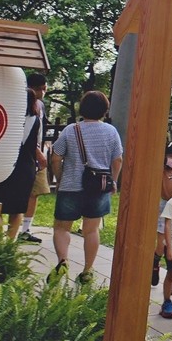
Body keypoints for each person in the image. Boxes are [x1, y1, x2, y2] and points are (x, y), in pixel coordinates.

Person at [48, 90, 123, 284]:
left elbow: (56, 157)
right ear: (104, 110)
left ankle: (63, 261)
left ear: (83, 109)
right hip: (98, 188)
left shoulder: (71, 130)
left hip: (70, 186)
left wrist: (60, 178)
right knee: (91, 230)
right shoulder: (111, 131)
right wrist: (112, 181)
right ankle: (87, 270)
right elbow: (118, 160)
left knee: (62, 227)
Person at [0, 88, 44, 240]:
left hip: (2, 163)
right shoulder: (36, 120)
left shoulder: (5, 117)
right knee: (17, 209)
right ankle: (8, 244)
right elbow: (37, 143)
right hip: (25, 167)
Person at [17, 73, 49, 242]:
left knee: (34, 192)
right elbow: (25, 132)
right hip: (28, 154)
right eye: (41, 89)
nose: (43, 92)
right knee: (20, 192)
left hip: (37, 153)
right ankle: (16, 228)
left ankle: (26, 228)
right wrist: (38, 151)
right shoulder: (21, 104)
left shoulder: (41, 106)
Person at [153, 144, 172, 317]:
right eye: (170, 155)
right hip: (165, 206)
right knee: (162, 243)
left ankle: (156, 261)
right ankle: (156, 261)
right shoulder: (161, 170)